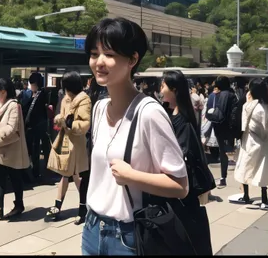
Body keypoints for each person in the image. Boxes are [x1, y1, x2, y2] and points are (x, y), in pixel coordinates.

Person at [81, 18, 188, 256]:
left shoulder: (149, 113)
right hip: (91, 229)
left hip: (129, 235)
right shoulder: (99, 108)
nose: (99, 62)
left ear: (132, 60)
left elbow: (180, 186)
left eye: (109, 54)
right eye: (93, 53)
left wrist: (131, 176)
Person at [160, 70, 214, 255]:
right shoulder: (169, 113)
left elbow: (182, 157)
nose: (160, 88)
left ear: (174, 89)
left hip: (181, 193)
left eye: (163, 85)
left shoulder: (183, 121)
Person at [0, 78, 30, 222]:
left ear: (3, 91)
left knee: (15, 176)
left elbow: (12, 127)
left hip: (11, 147)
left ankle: (18, 205)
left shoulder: (14, 106)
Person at [47, 72, 92, 223]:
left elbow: (85, 124)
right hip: (66, 139)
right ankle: (60, 206)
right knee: (67, 173)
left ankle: (83, 208)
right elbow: (62, 114)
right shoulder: (66, 98)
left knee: (78, 175)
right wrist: (60, 119)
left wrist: (69, 123)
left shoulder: (84, 100)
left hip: (78, 143)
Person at [233, 78, 268, 210]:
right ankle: (264, 198)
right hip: (265, 141)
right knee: (262, 170)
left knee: (246, 165)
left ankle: (246, 195)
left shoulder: (249, 105)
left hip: (250, 140)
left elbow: (243, 123)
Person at [203, 76, 238, 188]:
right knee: (227, 151)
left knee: (223, 151)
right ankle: (224, 175)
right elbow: (233, 113)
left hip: (218, 125)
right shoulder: (231, 95)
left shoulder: (215, 95)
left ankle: (223, 177)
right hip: (228, 126)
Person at [23, 72, 51, 182]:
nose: (32, 86)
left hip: (38, 127)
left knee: (35, 150)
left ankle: (36, 171)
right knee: (32, 150)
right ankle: (33, 170)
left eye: (33, 84)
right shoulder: (30, 94)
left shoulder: (43, 94)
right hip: (31, 127)